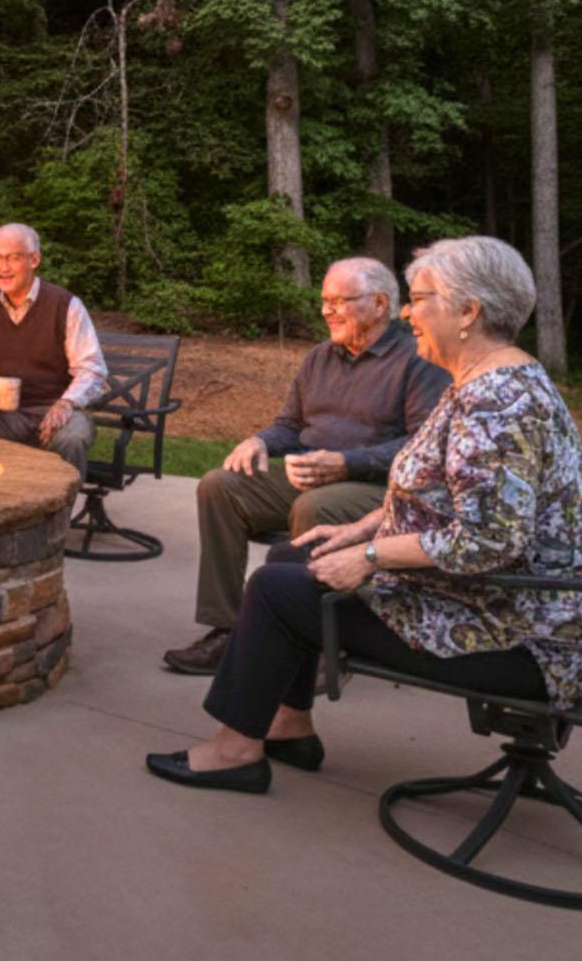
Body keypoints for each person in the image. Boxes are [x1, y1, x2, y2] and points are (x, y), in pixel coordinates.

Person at [145, 235, 582, 793]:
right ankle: (290, 727)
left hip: (514, 639)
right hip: (488, 603)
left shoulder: (496, 402)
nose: (409, 310)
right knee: (300, 551)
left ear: (467, 312)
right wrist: (360, 527)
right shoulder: (482, 384)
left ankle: (234, 750)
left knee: (272, 590)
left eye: (419, 297)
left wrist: (369, 555)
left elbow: (486, 542)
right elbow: (439, 492)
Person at [161, 257, 450, 675]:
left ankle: (317, 641)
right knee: (219, 486)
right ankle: (226, 629)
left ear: (380, 304)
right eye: (324, 301)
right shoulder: (319, 358)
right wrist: (259, 440)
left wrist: (346, 463)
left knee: (316, 508)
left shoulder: (417, 361)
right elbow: (291, 426)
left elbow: (423, 446)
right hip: (312, 475)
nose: (327, 311)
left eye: (339, 301)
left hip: (379, 488)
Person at [0, 223, 105, 477]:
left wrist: (66, 403)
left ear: (34, 259)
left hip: (58, 409)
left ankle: (59, 514)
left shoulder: (65, 306)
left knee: (72, 439)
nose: (3, 268)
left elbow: (92, 369)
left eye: (13, 258)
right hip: (5, 414)